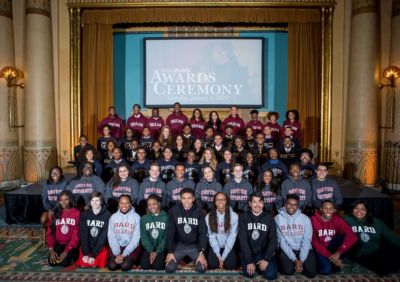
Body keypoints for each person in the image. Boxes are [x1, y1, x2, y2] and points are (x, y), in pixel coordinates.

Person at [344, 200, 400, 276]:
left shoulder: (377, 222)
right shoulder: (346, 219)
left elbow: (391, 236)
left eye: (363, 209)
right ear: (352, 209)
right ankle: (356, 262)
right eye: (356, 208)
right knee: (383, 270)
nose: (359, 211)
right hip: (357, 251)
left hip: (374, 250)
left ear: (367, 211)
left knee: (394, 254)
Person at [165, 188, 208, 273]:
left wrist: (201, 253)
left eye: (189, 198)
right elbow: (170, 232)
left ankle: (187, 259)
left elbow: (202, 233)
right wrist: (170, 251)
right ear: (180, 199)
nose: (186, 201)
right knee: (169, 268)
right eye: (184, 198)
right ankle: (187, 259)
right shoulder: (173, 210)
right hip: (180, 244)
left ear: (193, 199)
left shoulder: (200, 211)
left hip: (194, 245)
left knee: (201, 269)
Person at [275, 194, 317, 278]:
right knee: (288, 271)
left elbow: (306, 241)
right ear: (285, 204)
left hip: (304, 249)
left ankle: (300, 265)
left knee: (311, 273)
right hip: (288, 249)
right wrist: (294, 260)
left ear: (298, 206)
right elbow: (282, 242)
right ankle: (293, 265)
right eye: (289, 203)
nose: (292, 206)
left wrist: (301, 260)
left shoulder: (305, 219)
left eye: (295, 204)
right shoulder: (277, 219)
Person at [238, 191, 278, 280]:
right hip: (248, 252)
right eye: (254, 202)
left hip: (262, 252)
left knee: (271, 275)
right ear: (250, 204)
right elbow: (243, 241)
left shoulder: (269, 217)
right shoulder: (243, 217)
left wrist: (266, 259)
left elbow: (273, 239)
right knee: (249, 274)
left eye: (260, 202)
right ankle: (253, 264)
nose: (257, 205)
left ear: (263, 204)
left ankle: (262, 264)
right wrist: (249, 261)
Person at [311, 200, 357, 275]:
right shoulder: (313, 220)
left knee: (346, 237)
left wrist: (338, 253)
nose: (328, 211)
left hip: (332, 245)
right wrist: (329, 256)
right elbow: (314, 242)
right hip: (320, 248)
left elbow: (353, 236)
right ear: (321, 209)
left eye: (330, 208)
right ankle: (334, 262)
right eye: (325, 208)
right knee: (326, 270)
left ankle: (336, 260)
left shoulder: (337, 219)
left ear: (334, 210)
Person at [76, 192, 111, 268]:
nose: (94, 203)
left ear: (101, 202)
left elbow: (103, 236)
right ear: (90, 202)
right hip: (87, 246)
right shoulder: (84, 214)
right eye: (92, 201)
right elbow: (83, 234)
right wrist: (86, 253)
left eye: (97, 201)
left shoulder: (107, 215)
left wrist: (94, 254)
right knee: (83, 265)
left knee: (94, 265)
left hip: (100, 246)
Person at [107, 195, 141, 271]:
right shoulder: (113, 217)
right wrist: (116, 253)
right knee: (112, 266)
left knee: (124, 266)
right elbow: (111, 237)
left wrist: (124, 254)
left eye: (127, 203)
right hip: (117, 246)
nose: (124, 206)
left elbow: (136, 239)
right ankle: (120, 259)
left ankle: (130, 260)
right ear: (118, 204)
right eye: (121, 203)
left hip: (131, 247)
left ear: (130, 204)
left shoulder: (136, 217)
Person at [46, 190, 80, 267]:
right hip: (59, 243)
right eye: (61, 200)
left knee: (64, 263)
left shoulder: (76, 213)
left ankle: (75, 253)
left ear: (70, 200)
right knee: (52, 262)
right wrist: (51, 250)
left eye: (66, 200)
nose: (63, 202)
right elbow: (50, 233)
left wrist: (66, 251)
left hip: (71, 244)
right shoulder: (55, 213)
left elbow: (76, 235)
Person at [205, 192, 238, 270]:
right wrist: (218, 255)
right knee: (212, 265)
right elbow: (211, 237)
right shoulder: (209, 217)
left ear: (226, 201)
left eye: (223, 199)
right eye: (217, 199)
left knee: (231, 265)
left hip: (228, 246)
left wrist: (223, 257)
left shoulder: (234, 216)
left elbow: (232, 237)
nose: (220, 201)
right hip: (215, 246)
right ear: (214, 202)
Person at [140, 194, 168, 270]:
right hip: (149, 248)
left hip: (161, 248)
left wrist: (157, 251)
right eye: (149, 205)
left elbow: (166, 237)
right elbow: (144, 237)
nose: (151, 207)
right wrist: (151, 250)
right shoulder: (144, 218)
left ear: (159, 204)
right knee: (145, 266)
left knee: (158, 267)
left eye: (154, 204)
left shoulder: (166, 217)